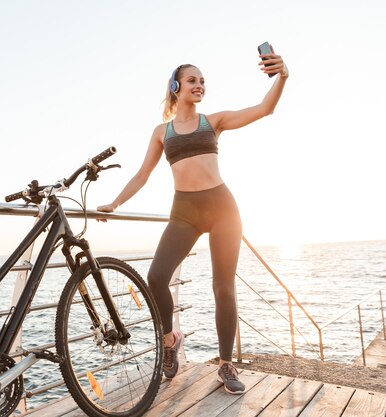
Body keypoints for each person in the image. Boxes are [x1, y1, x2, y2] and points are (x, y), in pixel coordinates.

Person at [97, 47, 289, 394]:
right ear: (175, 86)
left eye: (202, 81)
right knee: (156, 277)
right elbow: (142, 175)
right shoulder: (162, 132)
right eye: (192, 80)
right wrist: (114, 202)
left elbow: (265, 108)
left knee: (223, 288)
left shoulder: (213, 121)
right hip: (184, 211)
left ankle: (226, 364)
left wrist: (283, 76)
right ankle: (170, 340)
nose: (199, 85)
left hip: (222, 208)